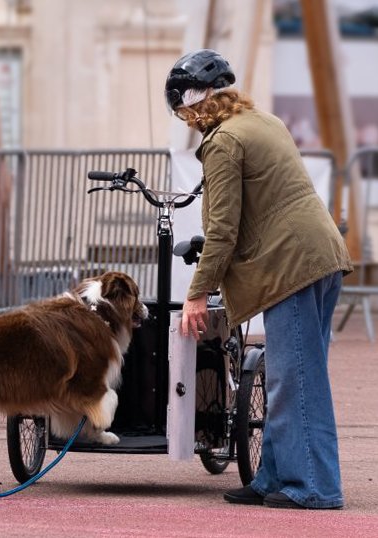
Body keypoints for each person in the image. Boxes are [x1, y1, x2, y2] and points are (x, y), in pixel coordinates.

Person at [167, 49, 352, 510]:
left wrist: (197, 293)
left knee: (295, 381)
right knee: (293, 377)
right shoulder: (263, 121)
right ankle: (273, 477)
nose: (186, 120)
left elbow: (223, 229)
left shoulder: (223, 140)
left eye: (182, 111)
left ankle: (313, 487)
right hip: (320, 257)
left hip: (290, 266)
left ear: (192, 103)